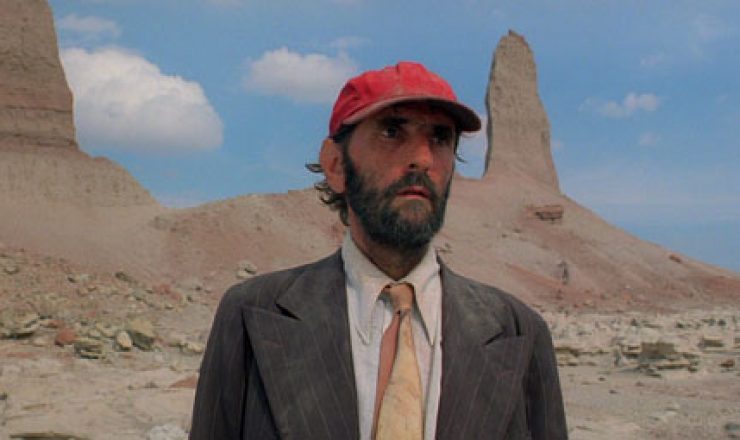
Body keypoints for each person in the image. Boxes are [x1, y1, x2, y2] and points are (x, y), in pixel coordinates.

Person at [190, 61, 567, 440]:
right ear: (336, 165)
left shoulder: (519, 331)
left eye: (440, 138)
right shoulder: (252, 313)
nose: (423, 159)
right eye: (391, 132)